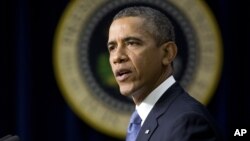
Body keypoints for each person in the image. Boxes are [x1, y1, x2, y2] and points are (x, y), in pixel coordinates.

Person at [107, 6, 221, 141]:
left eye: (132, 43)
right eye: (112, 47)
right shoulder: (142, 120)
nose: (117, 57)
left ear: (168, 53)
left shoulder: (187, 122)